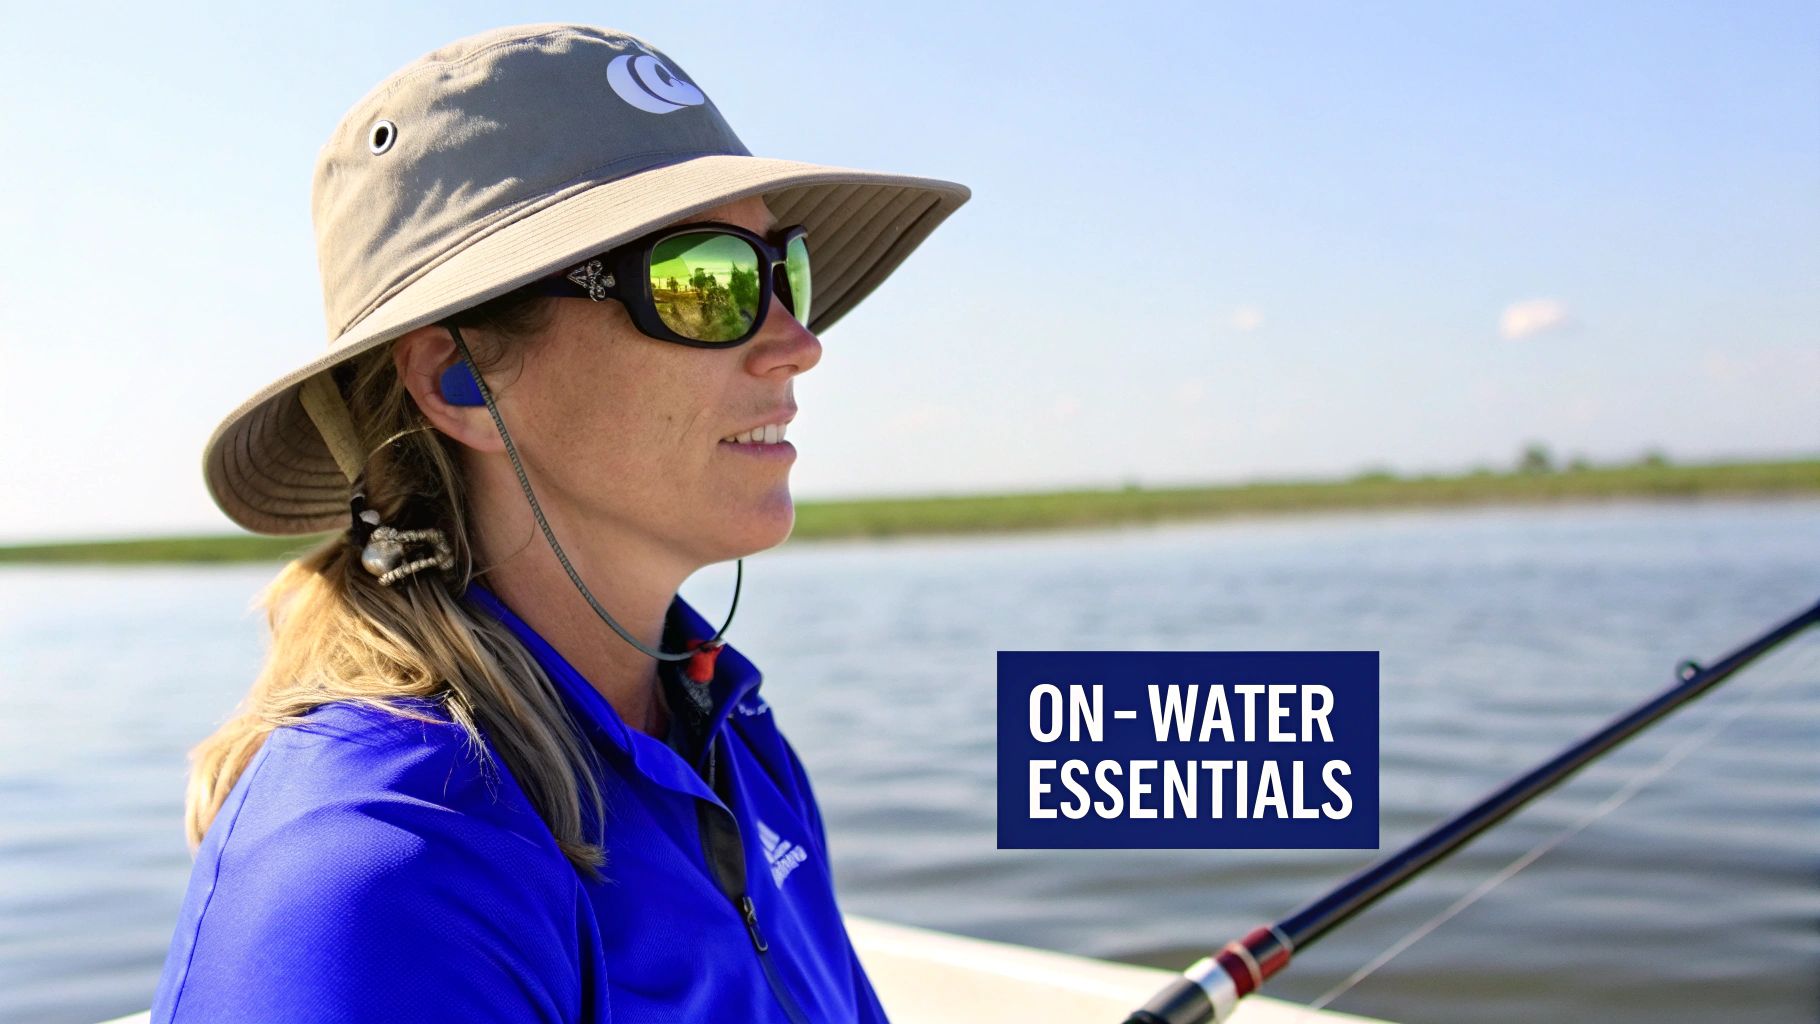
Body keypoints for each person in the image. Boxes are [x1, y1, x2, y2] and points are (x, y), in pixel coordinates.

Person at [151, 23, 968, 1023]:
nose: (797, 344)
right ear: (459, 378)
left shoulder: (730, 732)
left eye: (780, 269)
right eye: (700, 283)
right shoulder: (383, 869)